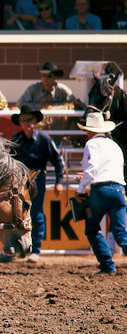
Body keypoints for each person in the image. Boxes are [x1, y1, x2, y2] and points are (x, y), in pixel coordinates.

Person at [0, 105, 64, 263]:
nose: (26, 123)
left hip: (37, 180)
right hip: (19, 181)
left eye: (29, 120)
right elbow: (9, 161)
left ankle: (36, 250)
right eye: (23, 120)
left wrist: (59, 182)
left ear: (35, 121)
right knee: (14, 214)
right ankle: (16, 249)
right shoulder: (16, 139)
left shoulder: (44, 139)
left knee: (36, 213)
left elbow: (58, 160)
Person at [75, 112, 127, 275]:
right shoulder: (114, 145)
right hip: (119, 189)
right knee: (120, 232)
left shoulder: (91, 145)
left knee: (91, 228)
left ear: (89, 131)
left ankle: (107, 265)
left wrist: (80, 190)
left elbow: (91, 171)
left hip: (100, 190)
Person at [17, 62, 82, 110]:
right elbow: (20, 103)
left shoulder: (63, 90)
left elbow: (74, 104)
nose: (45, 79)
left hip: (59, 122)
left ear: (55, 77)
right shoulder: (33, 89)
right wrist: (40, 106)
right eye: (43, 75)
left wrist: (54, 106)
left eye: (49, 76)